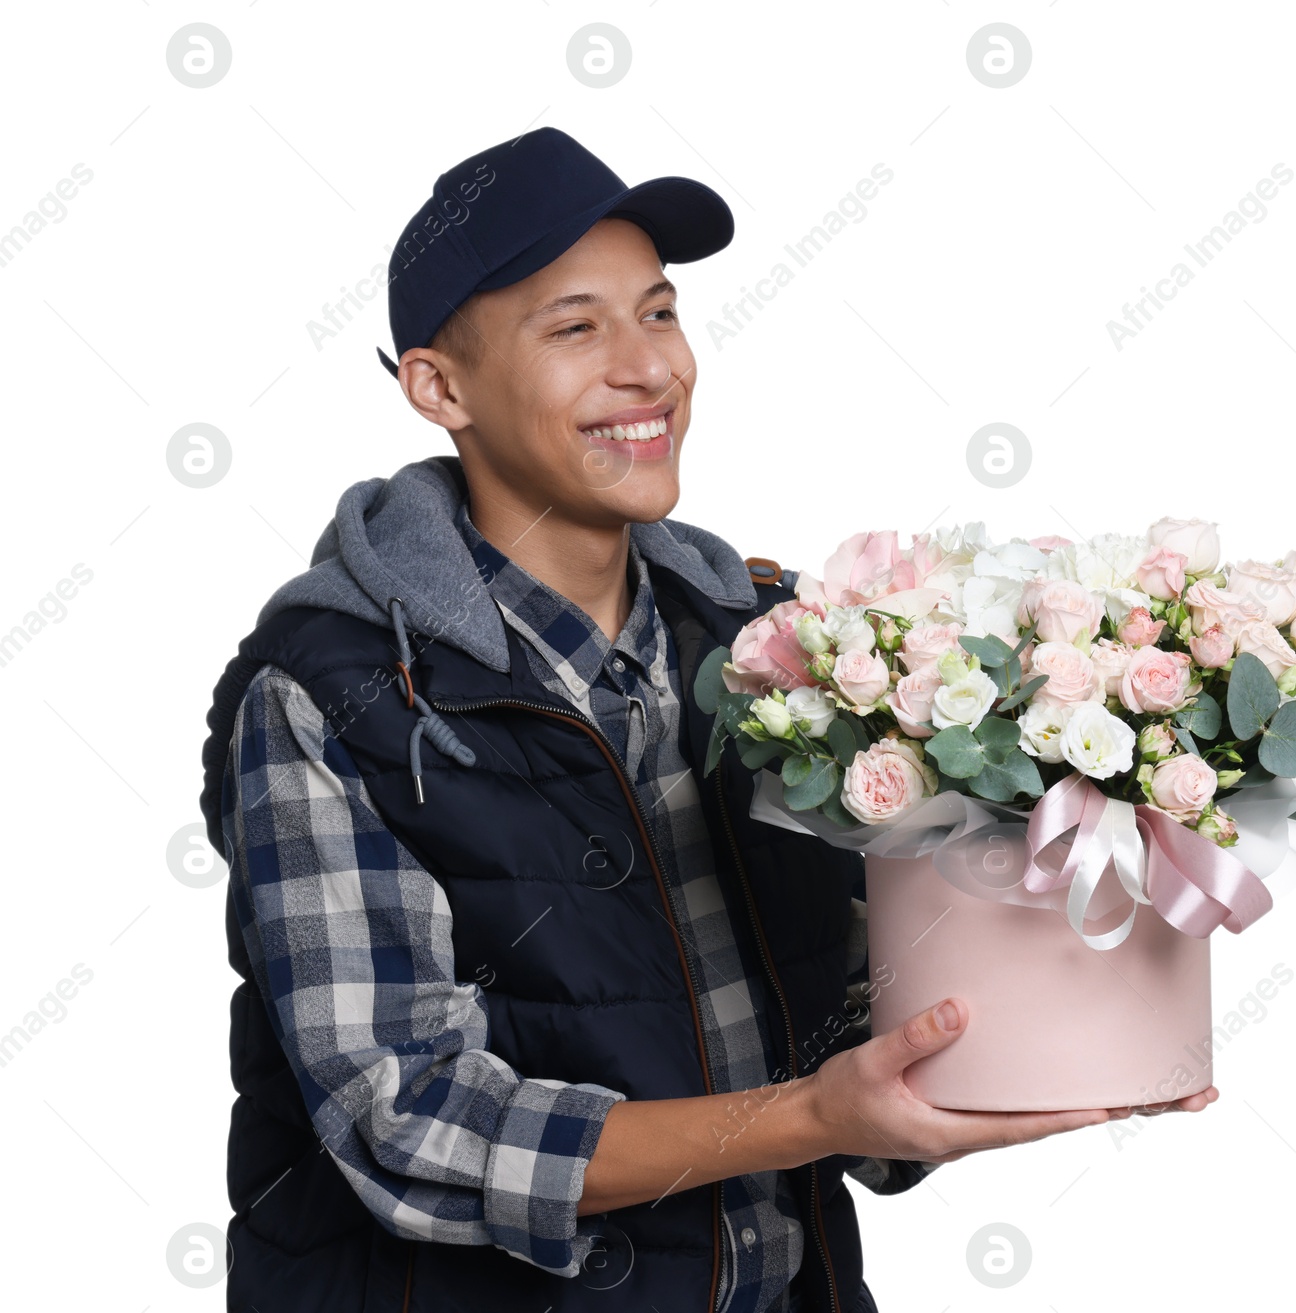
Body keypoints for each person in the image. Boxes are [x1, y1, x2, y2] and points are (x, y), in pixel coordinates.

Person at [198, 126, 1216, 1313]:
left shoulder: (764, 640)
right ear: (440, 386)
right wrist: (810, 1116)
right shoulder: (333, 689)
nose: (647, 369)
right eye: (575, 327)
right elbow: (405, 1118)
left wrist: (1033, 1023)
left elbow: (841, 993)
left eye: (661, 312)